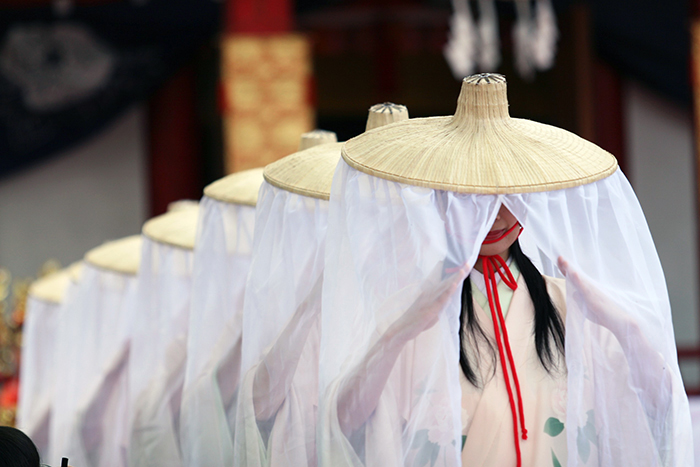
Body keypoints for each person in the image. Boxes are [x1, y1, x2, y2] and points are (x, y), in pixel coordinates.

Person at [318, 73, 693, 466]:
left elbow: (662, 404)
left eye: (508, 194)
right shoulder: (411, 308)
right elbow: (347, 424)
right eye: (474, 194)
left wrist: (624, 326)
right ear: (444, 198)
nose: (494, 212)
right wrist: (396, 333)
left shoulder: (570, 303)